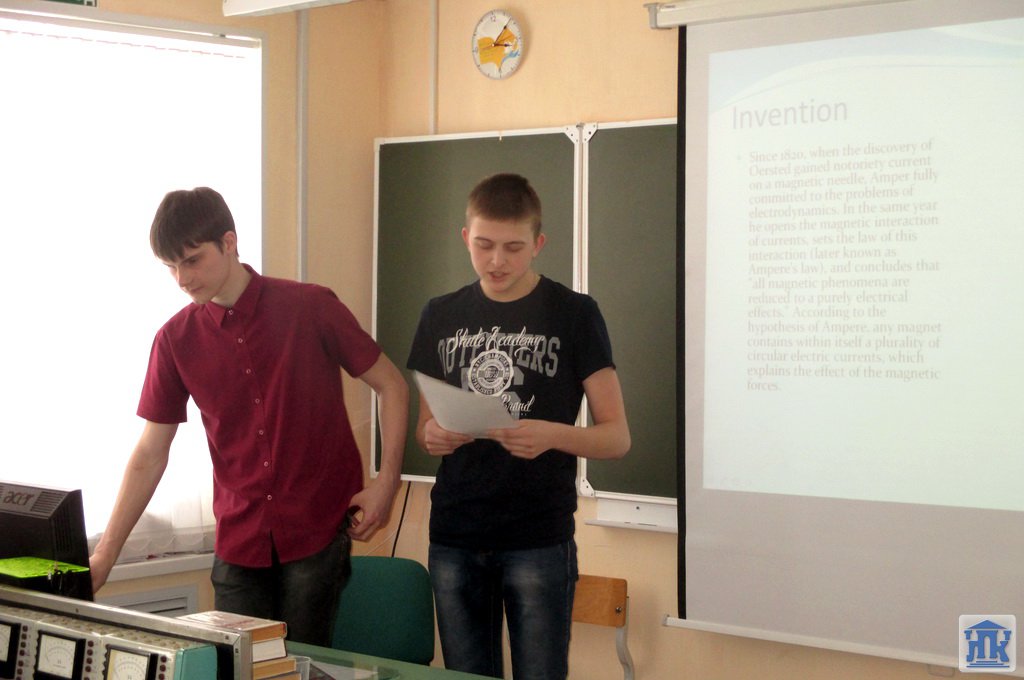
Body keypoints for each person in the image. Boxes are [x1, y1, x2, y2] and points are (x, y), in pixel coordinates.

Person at [90, 187, 408, 645]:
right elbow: (149, 453)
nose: (182, 279)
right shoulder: (174, 341)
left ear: (230, 242)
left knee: (301, 667)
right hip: (239, 542)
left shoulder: (310, 307)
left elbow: (391, 385)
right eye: (170, 267)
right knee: (241, 667)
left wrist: (386, 482)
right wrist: (105, 554)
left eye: (192, 260)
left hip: (316, 531)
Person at [406, 173, 630, 679]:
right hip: (455, 534)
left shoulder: (575, 314)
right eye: (484, 245)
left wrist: (551, 435)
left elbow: (617, 437)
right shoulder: (440, 314)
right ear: (466, 237)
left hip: (538, 537)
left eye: (513, 248)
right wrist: (433, 436)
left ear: (538, 244)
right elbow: (425, 428)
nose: (496, 261)